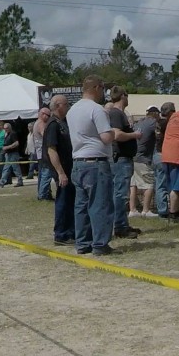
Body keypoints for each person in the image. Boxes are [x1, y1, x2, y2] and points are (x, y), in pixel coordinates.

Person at [68, 75, 116, 256]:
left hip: (78, 162)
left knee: (81, 206)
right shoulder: (97, 110)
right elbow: (105, 137)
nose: (104, 92)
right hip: (96, 162)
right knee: (100, 204)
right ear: (96, 87)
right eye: (103, 88)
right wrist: (113, 133)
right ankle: (100, 244)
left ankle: (82, 243)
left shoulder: (73, 110)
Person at [107, 86, 142, 238]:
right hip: (120, 159)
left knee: (122, 193)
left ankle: (123, 224)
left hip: (123, 158)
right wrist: (135, 134)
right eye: (126, 95)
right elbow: (117, 135)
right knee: (120, 194)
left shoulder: (118, 113)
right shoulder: (116, 113)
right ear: (122, 96)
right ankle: (120, 226)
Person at [42, 94, 75, 245]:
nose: (68, 107)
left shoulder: (63, 122)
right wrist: (60, 173)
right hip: (62, 170)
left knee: (70, 201)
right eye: (66, 104)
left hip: (70, 167)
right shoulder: (53, 124)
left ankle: (71, 231)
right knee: (63, 201)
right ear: (58, 106)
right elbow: (51, 150)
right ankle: (61, 234)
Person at [129, 106, 159, 217]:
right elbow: (158, 134)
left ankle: (132, 210)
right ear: (155, 113)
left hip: (133, 157)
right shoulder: (152, 123)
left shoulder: (139, 122)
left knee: (133, 185)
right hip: (144, 158)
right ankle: (146, 210)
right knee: (149, 184)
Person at [154, 102, 174, 218]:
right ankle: (164, 210)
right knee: (165, 184)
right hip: (165, 154)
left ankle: (161, 208)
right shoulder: (169, 123)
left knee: (159, 183)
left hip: (156, 153)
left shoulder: (158, 122)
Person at [34, 107, 54, 200]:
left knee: (42, 174)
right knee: (46, 173)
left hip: (39, 153)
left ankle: (44, 193)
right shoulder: (41, 124)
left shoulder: (36, 123)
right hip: (44, 152)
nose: (48, 117)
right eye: (47, 115)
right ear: (42, 114)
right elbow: (45, 136)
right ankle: (43, 194)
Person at [0, 122, 24, 187]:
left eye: (7, 128)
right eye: (5, 128)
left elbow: (17, 143)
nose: (5, 129)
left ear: (10, 128)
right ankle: (2, 182)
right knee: (6, 168)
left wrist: (8, 147)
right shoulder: (7, 134)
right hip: (8, 154)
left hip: (13, 154)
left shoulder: (13, 134)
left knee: (16, 168)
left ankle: (20, 181)